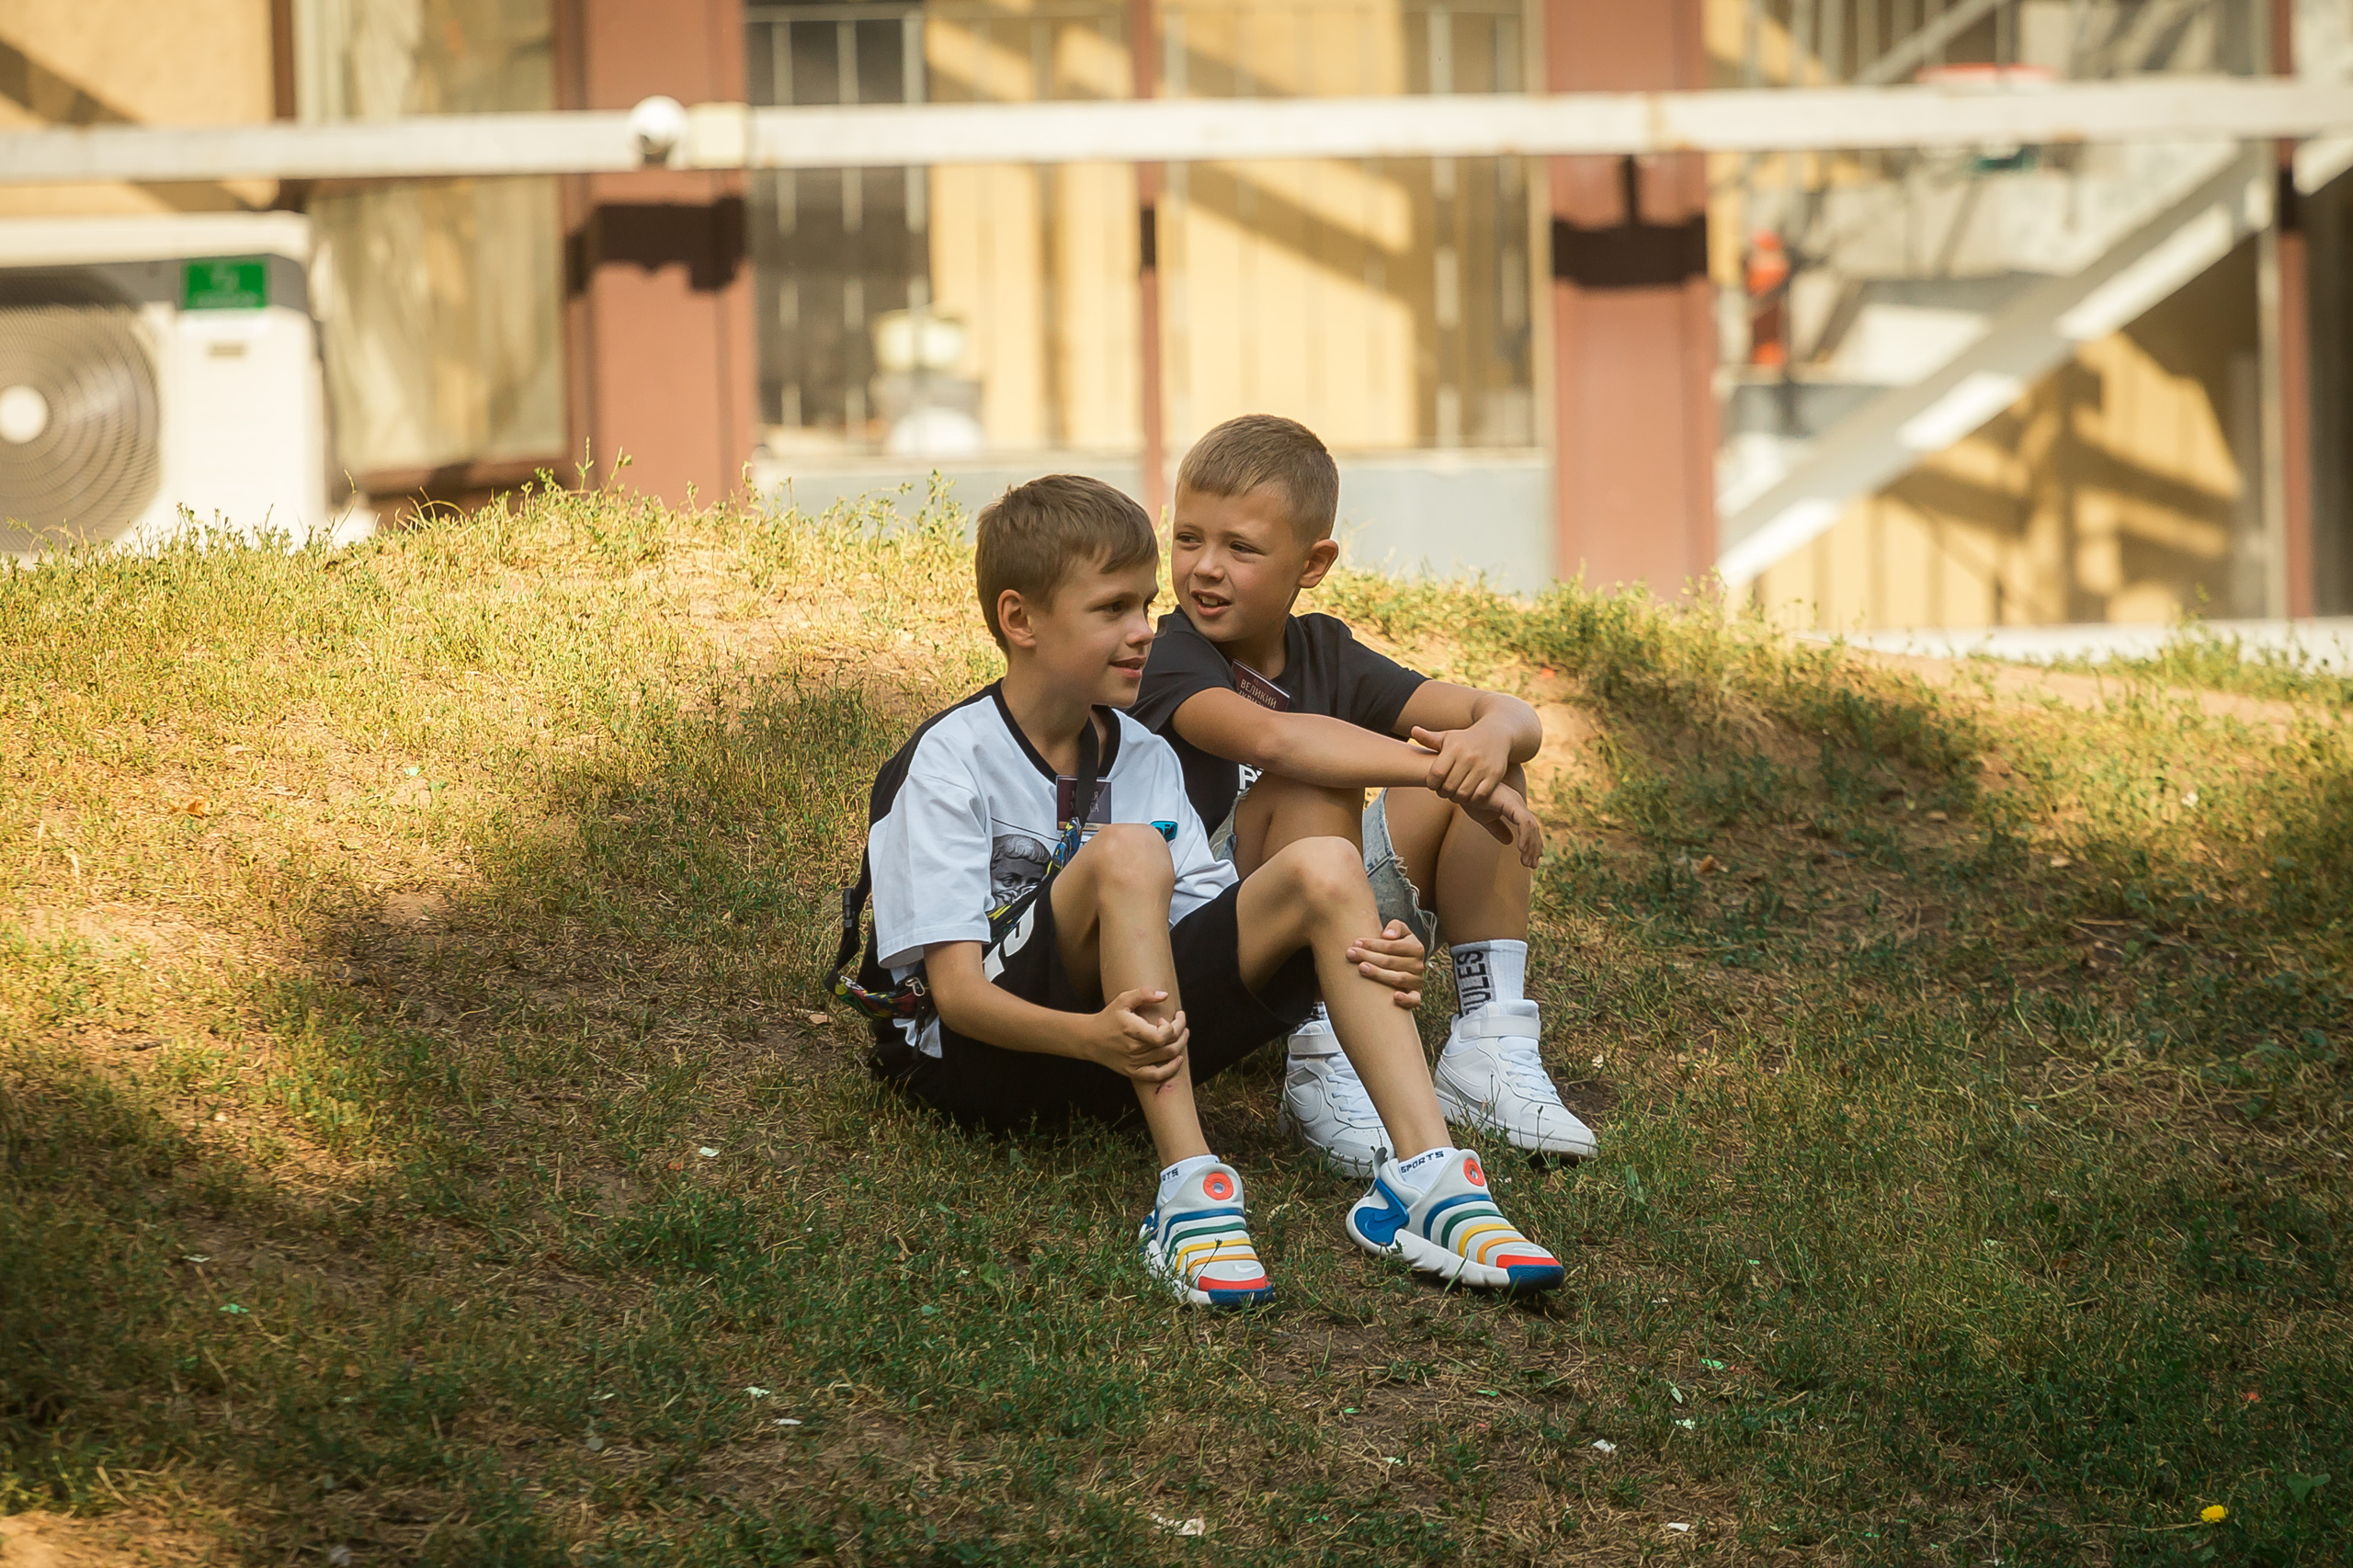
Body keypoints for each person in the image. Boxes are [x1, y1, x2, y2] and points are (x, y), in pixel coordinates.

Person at [854, 473, 1564, 1307]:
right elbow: (957, 998)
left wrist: (1358, 946)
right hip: (983, 1063)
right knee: (1128, 855)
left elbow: (1208, 932)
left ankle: (1428, 1180)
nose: (1142, 632)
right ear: (1021, 620)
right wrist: (1092, 1038)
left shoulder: (1142, 757)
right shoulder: (948, 760)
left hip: (1126, 1046)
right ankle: (1190, 1188)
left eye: (1144, 605)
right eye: (1112, 609)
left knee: (1326, 866)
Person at [1130, 415, 1597, 1176]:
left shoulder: (1325, 652)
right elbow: (1275, 742)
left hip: (1335, 908)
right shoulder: (1169, 655)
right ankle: (1319, 1052)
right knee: (1321, 779)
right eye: (1189, 540)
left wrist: (1486, 745)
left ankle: (1489, 1043)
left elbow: (1509, 715)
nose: (1205, 569)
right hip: (1219, 935)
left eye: (1240, 548)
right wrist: (1439, 767)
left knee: (1490, 766)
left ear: (1312, 563)